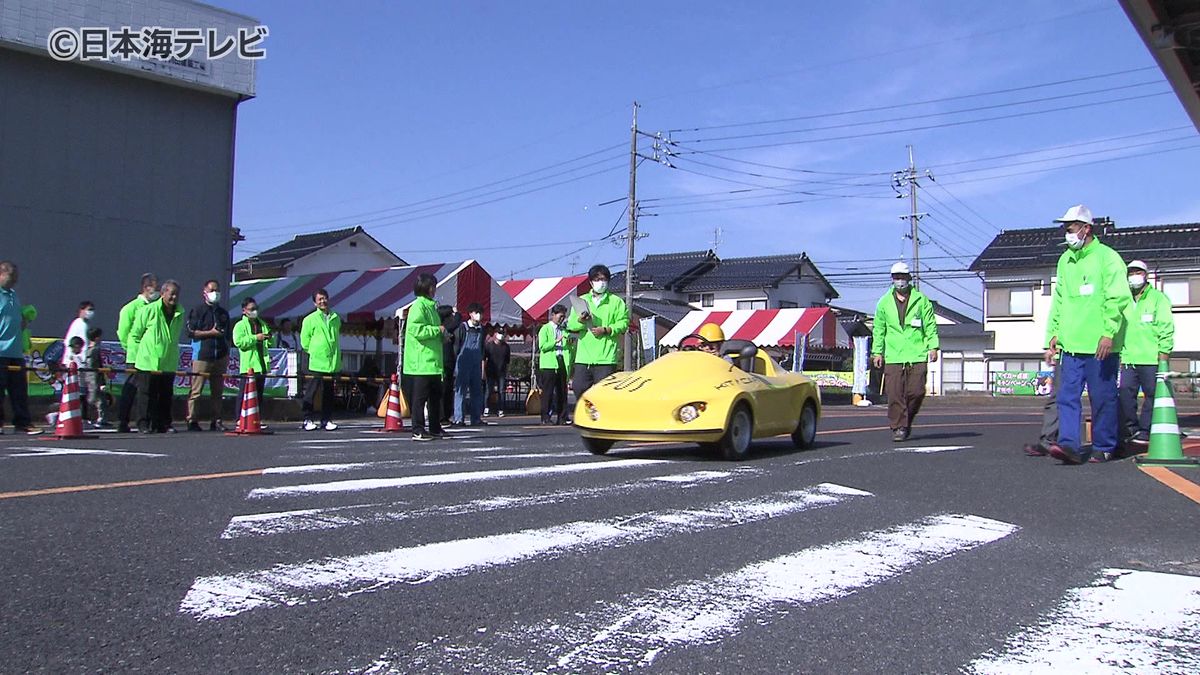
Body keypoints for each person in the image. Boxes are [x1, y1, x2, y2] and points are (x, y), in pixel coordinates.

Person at [1044, 205, 1131, 465]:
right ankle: (1069, 445)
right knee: (1066, 397)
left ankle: (1104, 445)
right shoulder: (1065, 260)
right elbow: (1059, 302)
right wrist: (1053, 334)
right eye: (1065, 228)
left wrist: (1108, 333)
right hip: (1070, 344)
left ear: (1086, 228)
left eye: (1070, 228)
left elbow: (1118, 297)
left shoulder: (1108, 258)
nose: (1067, 233)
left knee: (1102, 397)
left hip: (1100, 345)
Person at [871, 261, 940, 442]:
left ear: (909, 278)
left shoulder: (921, 300)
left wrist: (933, 346)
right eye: (896, 277)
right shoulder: (884, 302)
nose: (899, 281)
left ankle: (906, 420)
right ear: (892, 279)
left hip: (917, 353)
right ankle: (899, 427)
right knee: (894, 394)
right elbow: (879, 329)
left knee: (916, 392)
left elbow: (930, 325)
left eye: (902, 277)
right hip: (893, 354)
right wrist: (877, 352)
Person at [1118, 259, 1174, 449]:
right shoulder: (1124, 300)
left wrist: (1164, 353)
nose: (1134, 276)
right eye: (1131, 273)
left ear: (1145, 275)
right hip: (1128, 359)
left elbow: (1166, 327)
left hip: (1151, 358)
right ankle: (1130, 428)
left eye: (1137, 272)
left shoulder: (1158, 298)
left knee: (1152, 395)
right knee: (1125, 393)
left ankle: (1146, 429)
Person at [129, 280, 184, 434]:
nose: (174, 297)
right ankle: (143, 423)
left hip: (168, 361)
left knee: (166, 395)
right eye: (171, 293)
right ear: (163, 293)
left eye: (176, 294)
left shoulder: (180, 312)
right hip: (147, 361)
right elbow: (134, 335)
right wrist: (133, 359)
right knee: (146, 395)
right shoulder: (148, 310)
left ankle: (163, 423)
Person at [567, 264, 629, 398]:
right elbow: (571, 325)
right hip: (584, 357)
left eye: (604, 279)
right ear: (590, 282)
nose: (601, 283)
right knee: (578, 388)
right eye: (597, 279)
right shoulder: (582, 300)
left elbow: (623, 323)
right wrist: (581, 320)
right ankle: (585, 417)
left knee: (604, 394)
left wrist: (607, 329)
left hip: (606, 358)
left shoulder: (616, 302)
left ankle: (602, 417)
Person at [0, 262, 41, 435]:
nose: (15, 280)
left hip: (16, 351)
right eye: (11, 276)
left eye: (16, 277)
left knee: (19, 391)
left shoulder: (13, 295)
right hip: (0, 351)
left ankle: (23, 423)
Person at [185, 279, 232, 432]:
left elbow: (227, 335)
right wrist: (210, 333)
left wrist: (226, 350)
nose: (215, 293)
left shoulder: (223, 313)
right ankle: (192, 420)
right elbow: (190, 332)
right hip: (202, 355)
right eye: (212, 290)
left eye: (217, 290)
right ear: (204, 293)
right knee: (196, 390)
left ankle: (216, 420)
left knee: (217, 392)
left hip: (220, 355)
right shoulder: (198, 311)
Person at [405, 273, 447, 441]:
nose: (435, 289)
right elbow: (416, 330)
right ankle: (418, 429)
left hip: (433, 362)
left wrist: (442, 335)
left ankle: (435, 427)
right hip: (420, 362)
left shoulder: (431, 307)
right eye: (433, 286)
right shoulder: (418, 306)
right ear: (428, 288)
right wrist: (437, 330)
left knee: (435, 398)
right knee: (420, 399)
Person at [116, 273, 159, 433]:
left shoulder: (155, 307)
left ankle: (146, 421)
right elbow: (123, 332)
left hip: (152, 356)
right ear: (146, 288)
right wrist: (131, 349)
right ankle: (123, 420)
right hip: (136, 356)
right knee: (131, 389)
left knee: (148, 391)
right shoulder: (131, 308)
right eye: (155, 287)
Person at [300, 288, 342, 431]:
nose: (323, 301)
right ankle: (307, 419)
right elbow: (304, 341)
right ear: (314, 303)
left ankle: (326, 419)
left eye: (324, 298)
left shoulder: (336, 317)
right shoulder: (309, 319)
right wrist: (314, 351)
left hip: (332, 362)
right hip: (316, 361)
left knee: (329, 393)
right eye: (319, 299)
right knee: (311, 392)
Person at [232, 297, 271, 419]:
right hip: (248, 365)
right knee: (245, 394)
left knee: (258, 395)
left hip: (261, 364)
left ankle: (256, 419)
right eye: (251, 309)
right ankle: (240, 418)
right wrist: (255, 338)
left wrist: (269, 338)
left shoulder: (262, 324)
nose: (254, 311)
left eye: (256, 308)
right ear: (244, 310)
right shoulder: (240, 325)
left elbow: (269, 342)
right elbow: (239, 342)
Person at [538, 305, 574, 425]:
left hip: (561, 361)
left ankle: (563, 417)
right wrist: (555, 341)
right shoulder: (545, 329)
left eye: (563, 317)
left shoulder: (563, 330)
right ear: (553, 315)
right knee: (548, 392)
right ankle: (545, 417)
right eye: (560, 316)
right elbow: (542, 346)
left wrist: (569, 343)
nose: (561, 319)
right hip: (549, 364)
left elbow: (569, 346)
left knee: (562, 391)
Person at [452, 302, 487, 426]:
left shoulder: (482, 329)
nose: (479, 315)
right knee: (460, 390)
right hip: (463, 363)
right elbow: (456, 347)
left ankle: (476, 418)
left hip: (476, 364)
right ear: (470, 314)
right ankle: (458, 418)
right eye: (476, 313)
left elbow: (482, 349)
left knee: (477, 391)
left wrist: (483, 366)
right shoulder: (463, 327)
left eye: (481, 313)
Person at [1023, 353, 1061, 457]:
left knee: (1101, 398)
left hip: (1098, 353)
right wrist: (1050, 348)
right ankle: (1049, 443)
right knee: (1057, 398)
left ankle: (1104, 445)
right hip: (1066, 355)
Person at [437, 305, 460, 426]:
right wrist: (457, 313)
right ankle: (442, 416)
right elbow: (456, 323)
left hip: (448, 361)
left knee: (447, 389)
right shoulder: (443, 327)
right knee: (444, 390)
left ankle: (445, 415)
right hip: (444, 362)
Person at [82, 327, 109, 428]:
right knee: (98, 399)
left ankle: (95, 418)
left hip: (89, 376)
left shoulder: (87, 349)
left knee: (94, 397)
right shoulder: (95, 350)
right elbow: (97, 366)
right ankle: (99, 419)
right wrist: (102, 381)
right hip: (95, 377)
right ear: (97, 337)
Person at [484, 330, 511, 418]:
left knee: (501, 392)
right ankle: (486, 408)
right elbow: (484, 359)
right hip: (490, 372)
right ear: (495, 334)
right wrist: (483, 372)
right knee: (488, 391)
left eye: (502, 333)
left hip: (501, 372)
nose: (501, 335)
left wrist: (507, 372)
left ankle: (500, 410)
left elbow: (507, 361)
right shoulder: (489, 345)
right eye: (499, 333)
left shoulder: (506, 347)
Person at [61, 301, 94, 365]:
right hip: (76, 362)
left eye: (92, 310)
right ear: (81, 310)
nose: (91, 312)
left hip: (73, 360)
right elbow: (84, 344)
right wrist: (84, 361)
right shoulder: (81, 324)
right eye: (89, 310)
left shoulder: (80, 323)